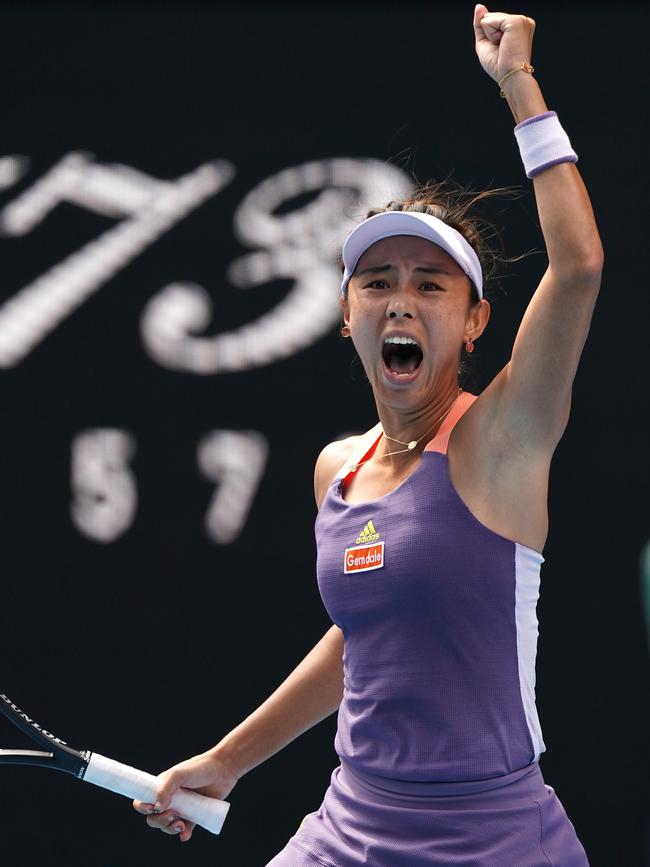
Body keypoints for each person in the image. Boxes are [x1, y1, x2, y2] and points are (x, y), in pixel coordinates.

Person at [133, 6, 602, 864]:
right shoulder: (337, 471)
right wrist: (225, 762)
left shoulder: (504, 438)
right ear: (347, 319)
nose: (400, 299)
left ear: (474, 323)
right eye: (378, 281)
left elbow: (578, 266)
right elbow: (367, 640)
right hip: (352, 825)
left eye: (431, 286)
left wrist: (518, 86)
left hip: (494, 835)